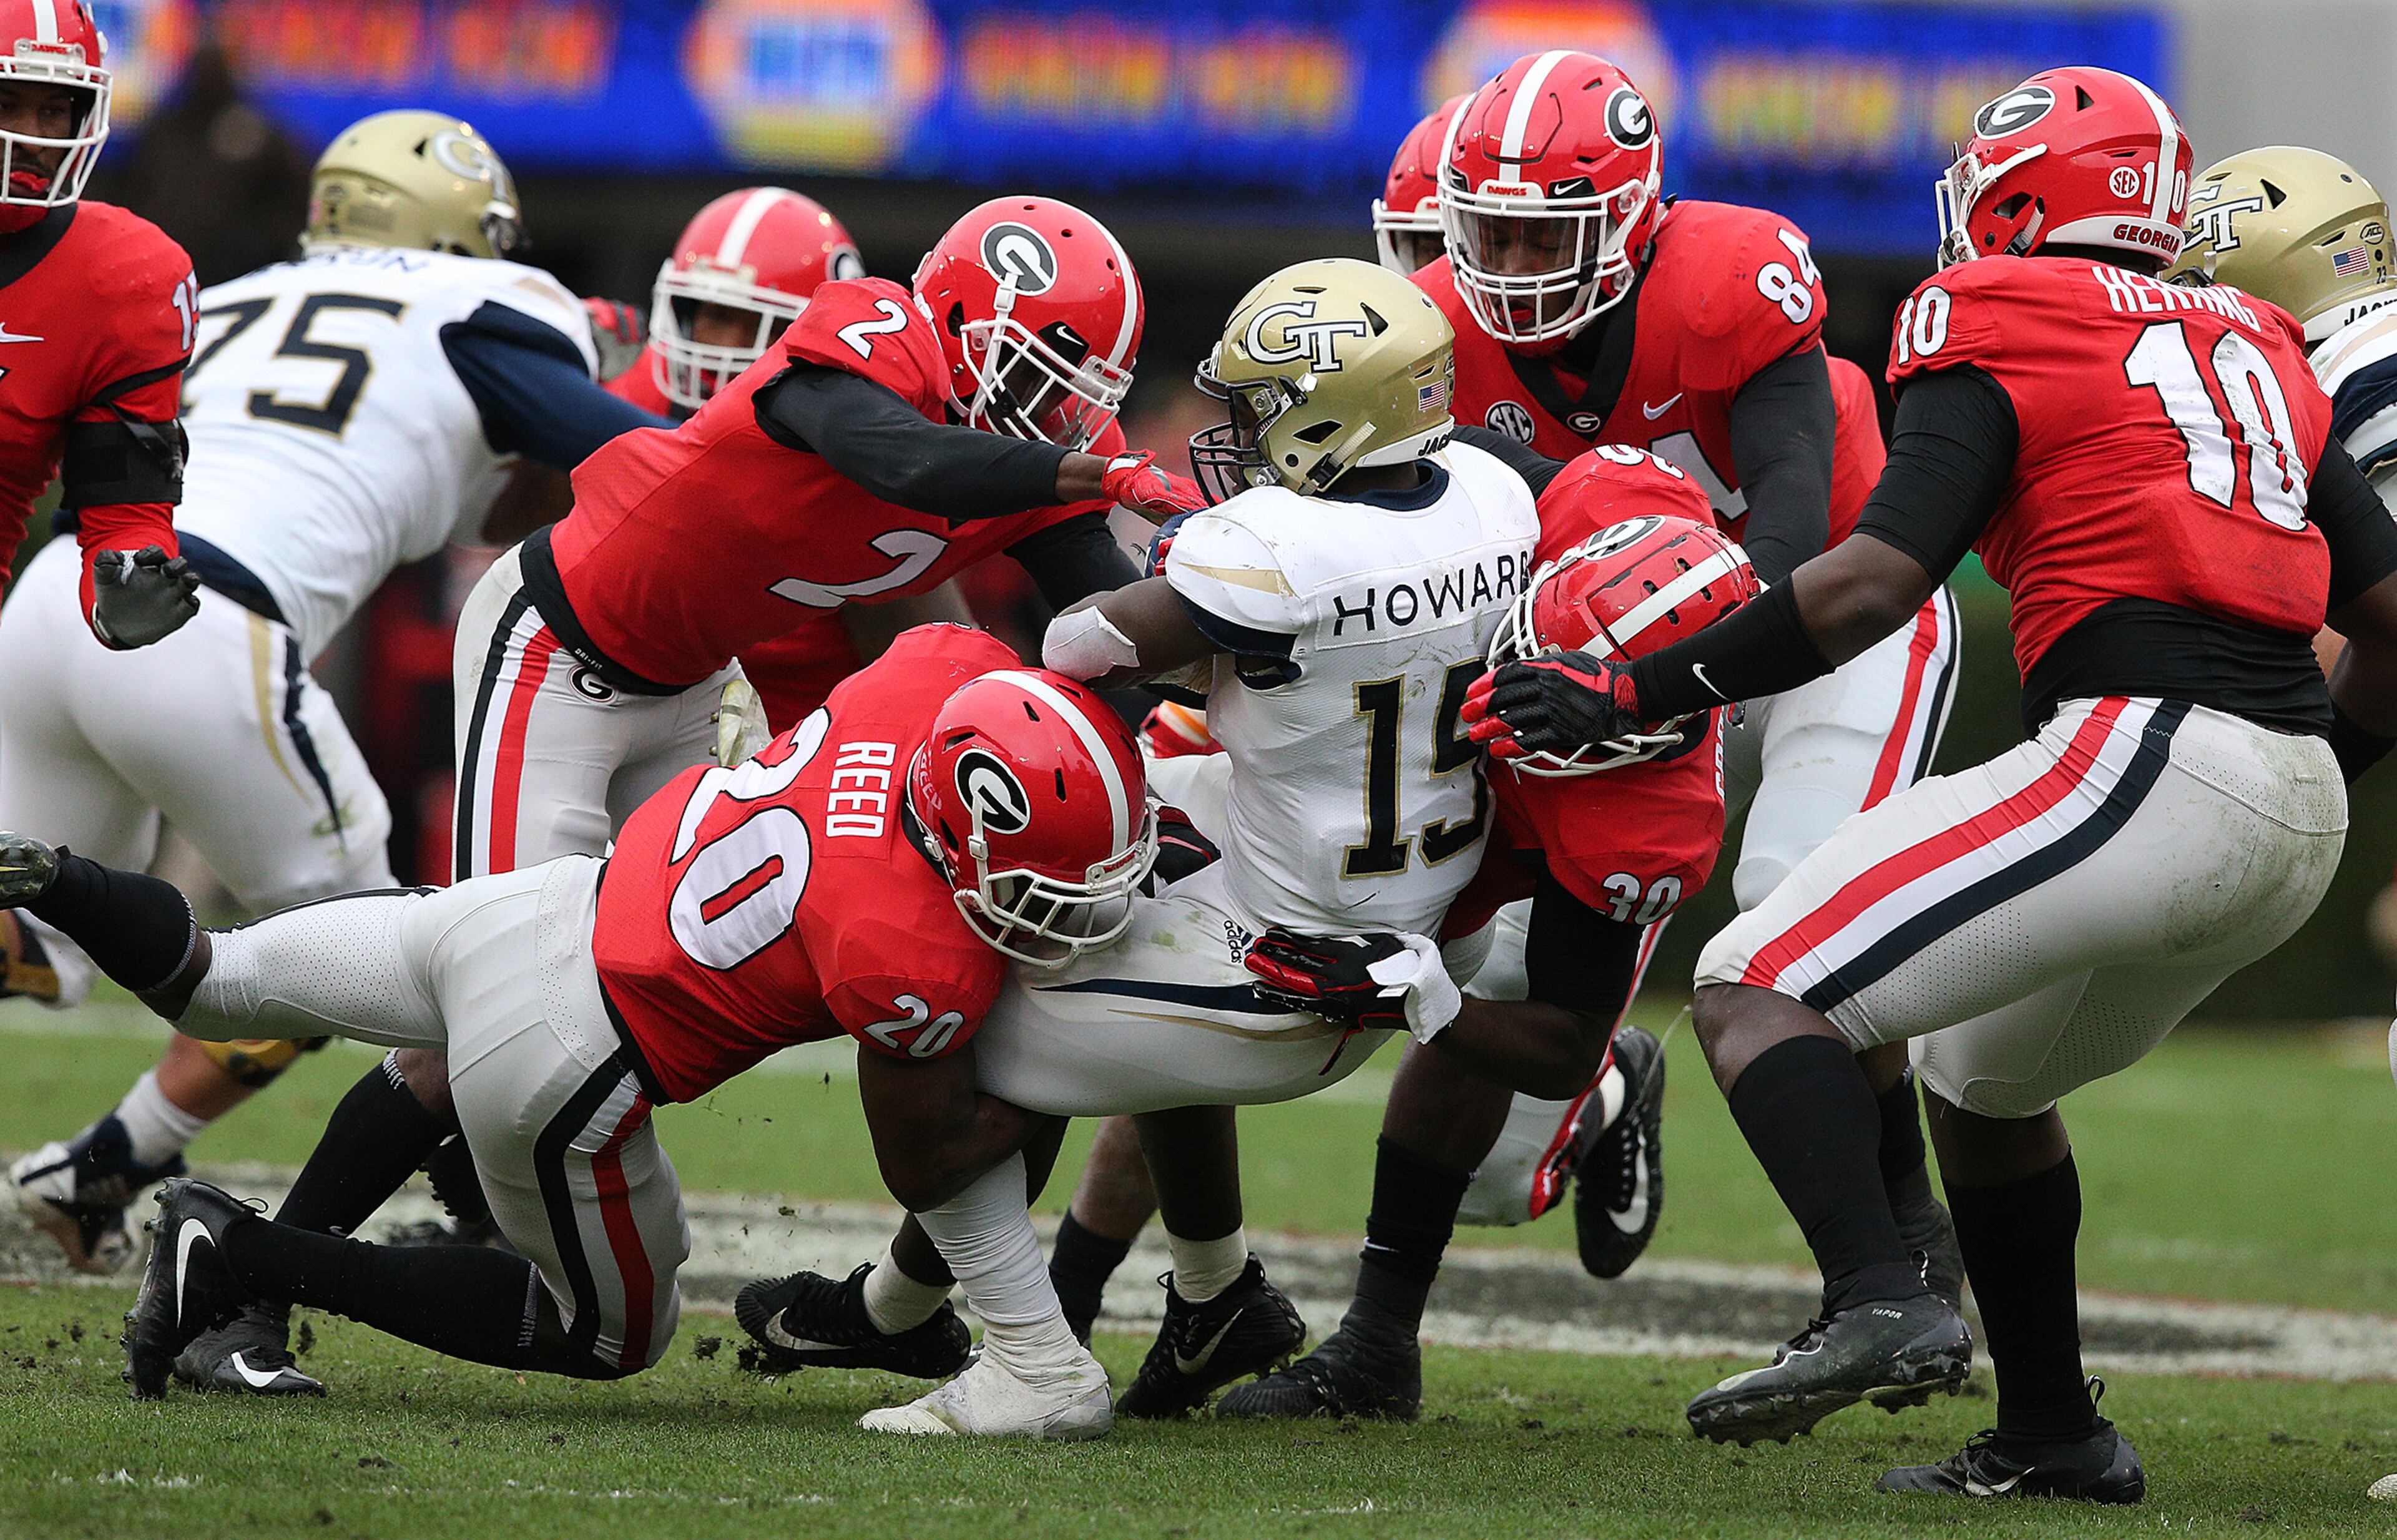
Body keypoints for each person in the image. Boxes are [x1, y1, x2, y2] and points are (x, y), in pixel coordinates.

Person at [1466, 65, 2397, 1501]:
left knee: (1754, 977)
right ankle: (2053, 1435)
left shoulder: (1993, 308)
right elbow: (2391, 620)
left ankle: (1882, 1294)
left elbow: (1870, 583)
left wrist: (1632, 686)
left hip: (2147, 749)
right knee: (1981, 1074)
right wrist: (2312, 770)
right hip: (2294, 802)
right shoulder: (2260, 336)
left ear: (2025, 198)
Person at [743, 257, 1544, 1434]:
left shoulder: (1273, 547)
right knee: (1125, 860)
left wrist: (1189, 612)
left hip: (1291, 965)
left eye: (1264, 404)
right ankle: (1211, 1294)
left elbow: (1081, 641)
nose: (1239, 432)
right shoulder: (1491, 491)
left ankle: (1005, 1352)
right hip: (1397, 896)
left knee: (937, 1012)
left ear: (1337, 410)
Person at [0, 627, 1154, 1423]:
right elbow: (925, 1157)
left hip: (531, 907)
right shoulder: (904, 952)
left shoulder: (938, 675)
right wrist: (1048, 1094)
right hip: (568, 1051)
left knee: (215, 974)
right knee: (604, 1336)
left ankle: (55, 879)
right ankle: (234, 1253)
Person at [3, 113, 670, 1395]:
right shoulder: (492, 301)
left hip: (60, 597)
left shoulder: (233, 290)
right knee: (383, 961)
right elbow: (618, 463)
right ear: (459, 228)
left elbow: (466, 484)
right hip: (207, 626)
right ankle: (197, 1245)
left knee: (36, 938)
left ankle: (100, 1168)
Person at [1215, 453, 1743, 1420]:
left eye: (1565, 706)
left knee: (1498, 1163)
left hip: (1550, 826)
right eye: (1530, 650)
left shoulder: (1647, 823)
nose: (1526, 699)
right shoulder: (1596, 496)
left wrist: (1428, 999)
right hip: (1437, 763)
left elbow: (1557, 1043)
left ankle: (1377, 1345)